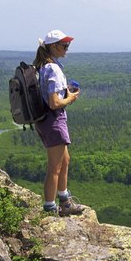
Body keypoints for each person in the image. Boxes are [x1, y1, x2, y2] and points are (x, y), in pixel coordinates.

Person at [33, 29, 84, 215]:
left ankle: (65, 201)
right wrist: (70, 99)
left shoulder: (44, 66)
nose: (67, 49)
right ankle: (50, 208)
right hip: (54, 120)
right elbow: (54, 103)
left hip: (48, 120)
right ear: (53, 47)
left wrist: (66, 94)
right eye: (64, 45)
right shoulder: (52, 68)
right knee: (54, 167)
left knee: (65, 160)